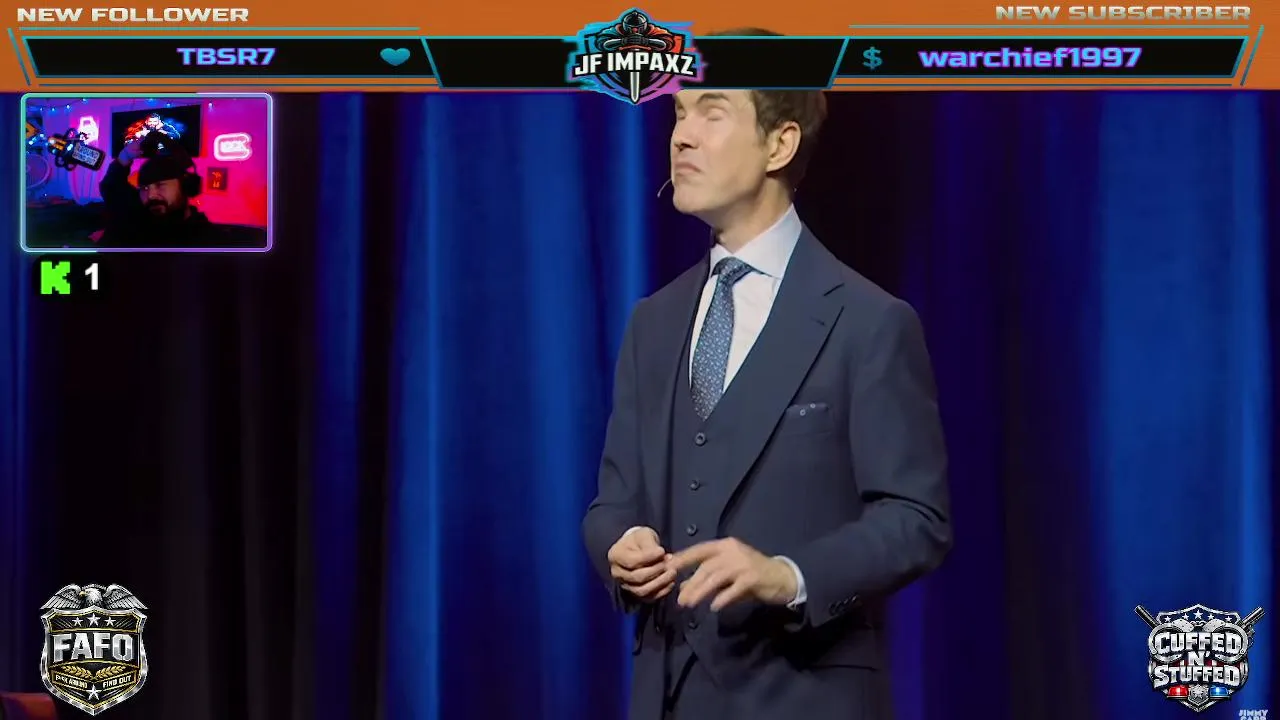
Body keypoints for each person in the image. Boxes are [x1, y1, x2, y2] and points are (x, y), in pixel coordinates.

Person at [581, 30, 953, 720]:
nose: (681, 136)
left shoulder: (869, 321)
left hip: (805, 696)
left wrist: (789, 575)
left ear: (779, 144)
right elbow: (612, 503)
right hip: (667, 698)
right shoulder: (653, 322)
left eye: (712, 112)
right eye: (679, 113)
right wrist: (619, 545)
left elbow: (917, 519)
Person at [98, 135, 266, 248]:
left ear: (186, 186)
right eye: (145, 188)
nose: (151, 195)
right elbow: (112, 188)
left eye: (161, 185)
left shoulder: (209, 240)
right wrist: (125, 157)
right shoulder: (136, 216)